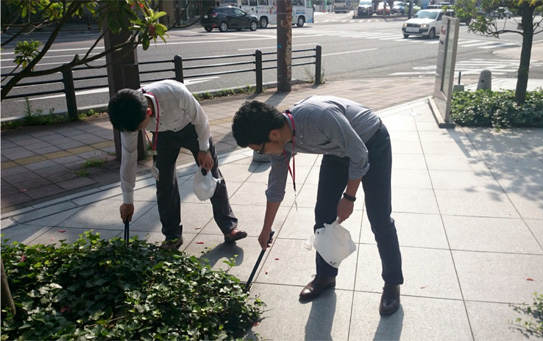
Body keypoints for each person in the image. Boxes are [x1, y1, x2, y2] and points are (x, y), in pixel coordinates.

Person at [232, 96, 403, 316]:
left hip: (370, 140)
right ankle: (325, 275)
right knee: (323, 215)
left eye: (261, 150)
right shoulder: (280, 142)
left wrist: (349, 197)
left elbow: (359, 154)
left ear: (273, 134)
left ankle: (392, 284)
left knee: (379, 218)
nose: (263, 154)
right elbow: (276, 186)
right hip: (335, 150)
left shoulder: (319, 117)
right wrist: (266, 228)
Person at [108, 80, 246, 250]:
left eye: (139, 127)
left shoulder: (175, 93)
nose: (135, 132)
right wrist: (127, 199)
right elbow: (129, 157)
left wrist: (204, 149)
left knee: (211, 173)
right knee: (164, 182)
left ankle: (229, 227)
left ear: (148, 112)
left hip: (192, 128)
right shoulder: (129, 120)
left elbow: (201, 120)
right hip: (161, 135)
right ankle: (172, 236)